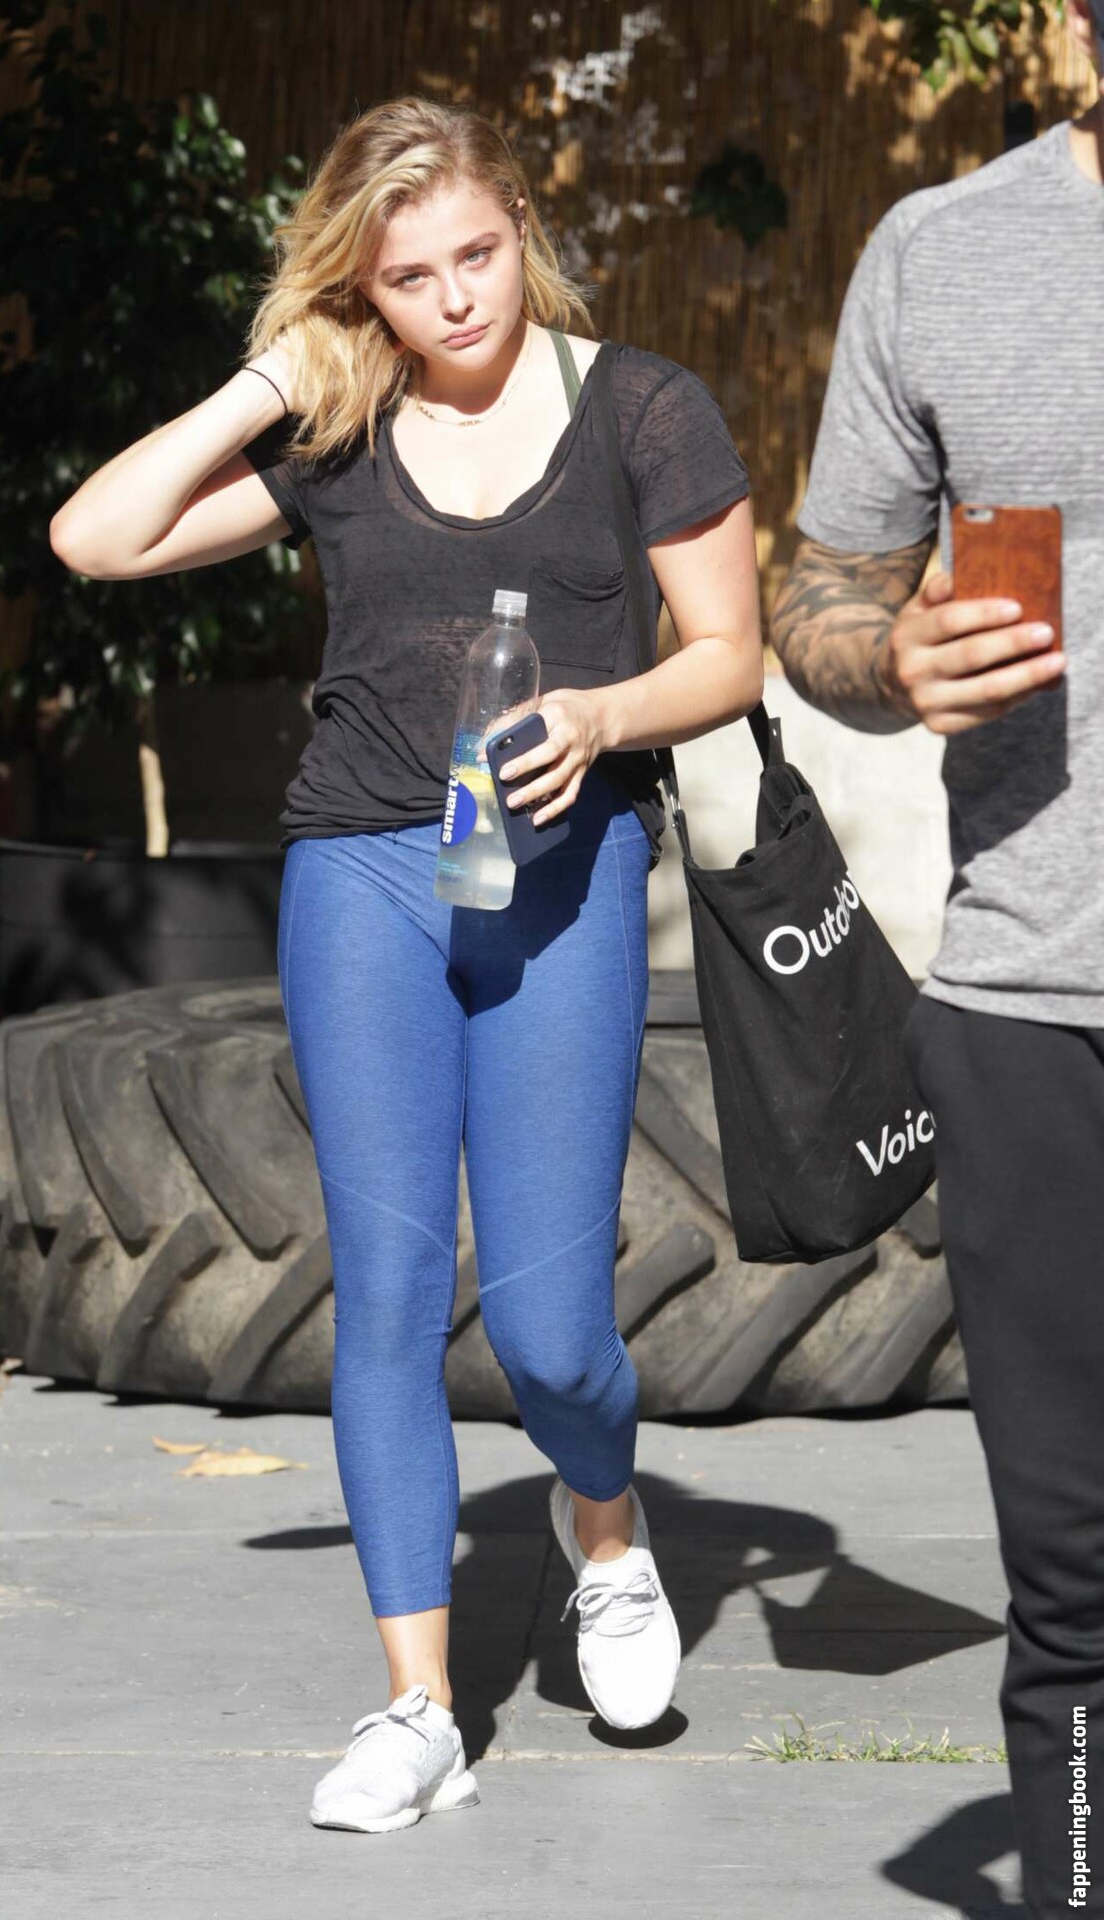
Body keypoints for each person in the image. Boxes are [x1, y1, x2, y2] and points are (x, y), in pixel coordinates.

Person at [50, 94, 761, 1834]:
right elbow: (96, 538)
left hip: (561, 869)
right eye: (408, 276)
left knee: (550, 1333)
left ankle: (606, 1533)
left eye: (476, 253)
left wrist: (601, 714)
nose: (455, 299)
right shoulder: (342, 427)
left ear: (522, 226)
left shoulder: (639, 408)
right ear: (359, 287)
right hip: (362, 873)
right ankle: (419, 1707)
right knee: (379, 1295)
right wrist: (268, 381)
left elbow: (729, 656)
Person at [771, 6, 1104, 1912]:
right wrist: (884, 660)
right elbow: (824, 587)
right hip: (1028, 1001)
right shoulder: (943, 251)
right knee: (1072, 1586)